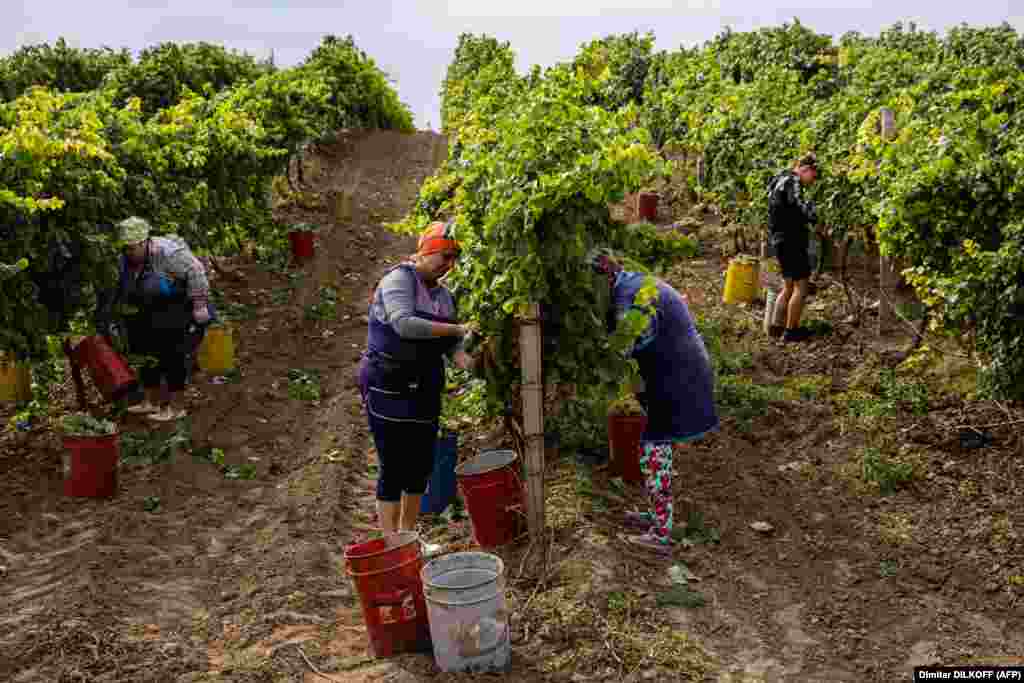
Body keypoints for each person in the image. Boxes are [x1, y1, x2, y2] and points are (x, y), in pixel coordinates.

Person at [589, 249, 719, 556]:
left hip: (678, 375)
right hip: (676, 369)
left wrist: (602, 356)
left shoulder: (627, 298)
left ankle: (661, 533)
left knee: (653, 449)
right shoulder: (630, 284)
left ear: (605, 277)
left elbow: (628, 345)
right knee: (655, 448)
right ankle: (658, 514)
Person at [358, 220, 476, 542]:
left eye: (454, 260)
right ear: (425, 253)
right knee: (393, 465)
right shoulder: (398, 280)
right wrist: (456, 329)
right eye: (445, 257)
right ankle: (390, 540)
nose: (449, 266)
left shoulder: (444, 297)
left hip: (424, 386)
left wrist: (470, 363)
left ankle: (408, 536)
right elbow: (405, 325)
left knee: (420, 466)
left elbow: (450, 346)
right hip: (388, 384)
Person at [95, 217, 214, 422]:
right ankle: (151, 401)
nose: (128, 252)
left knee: (171, 354)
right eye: (125, 248)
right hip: (146, 309)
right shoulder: (126, 258)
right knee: (144, 351)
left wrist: (199, 305)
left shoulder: (168, 253)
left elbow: (196, 271)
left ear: (143, 241)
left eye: (132, 248)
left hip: (175, 307)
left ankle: (177, 407)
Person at [766, 153, 819, 343]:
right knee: (801, 287)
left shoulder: (778, 179)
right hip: (792, 241)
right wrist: (814, 216)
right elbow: (799, 205)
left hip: (779, 240)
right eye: (813, 177)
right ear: (805, 170)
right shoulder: (793, 181)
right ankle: (791, 331)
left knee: (787, 286)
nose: (812, 182)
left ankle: (776, 327)